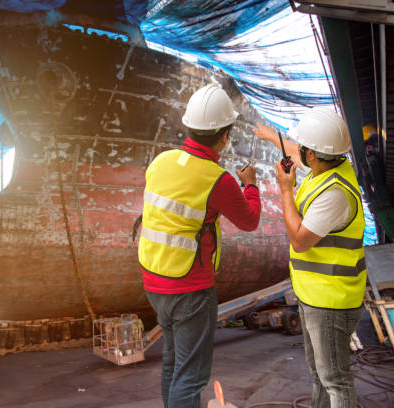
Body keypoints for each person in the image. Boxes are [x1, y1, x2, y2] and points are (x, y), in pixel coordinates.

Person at [136, 83, 261, 408]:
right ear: (224, 137)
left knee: (173, 364)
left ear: (189, 126)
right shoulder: (218, 179)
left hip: (154, 282)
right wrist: (250, 186)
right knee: (190, 377)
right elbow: (250, 221)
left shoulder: (160, 162)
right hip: (190, 290)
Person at [254, 108, 366, 408]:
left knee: (335, 380)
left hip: (330, 300)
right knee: (319, 374)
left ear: (313, 155)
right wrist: (268, 135)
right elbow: (297, 152)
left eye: (303, 148)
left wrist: (285, 189)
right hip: (314, 294)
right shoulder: (330, 167)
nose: (299, 151)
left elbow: (301, 241)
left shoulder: (334, 194)